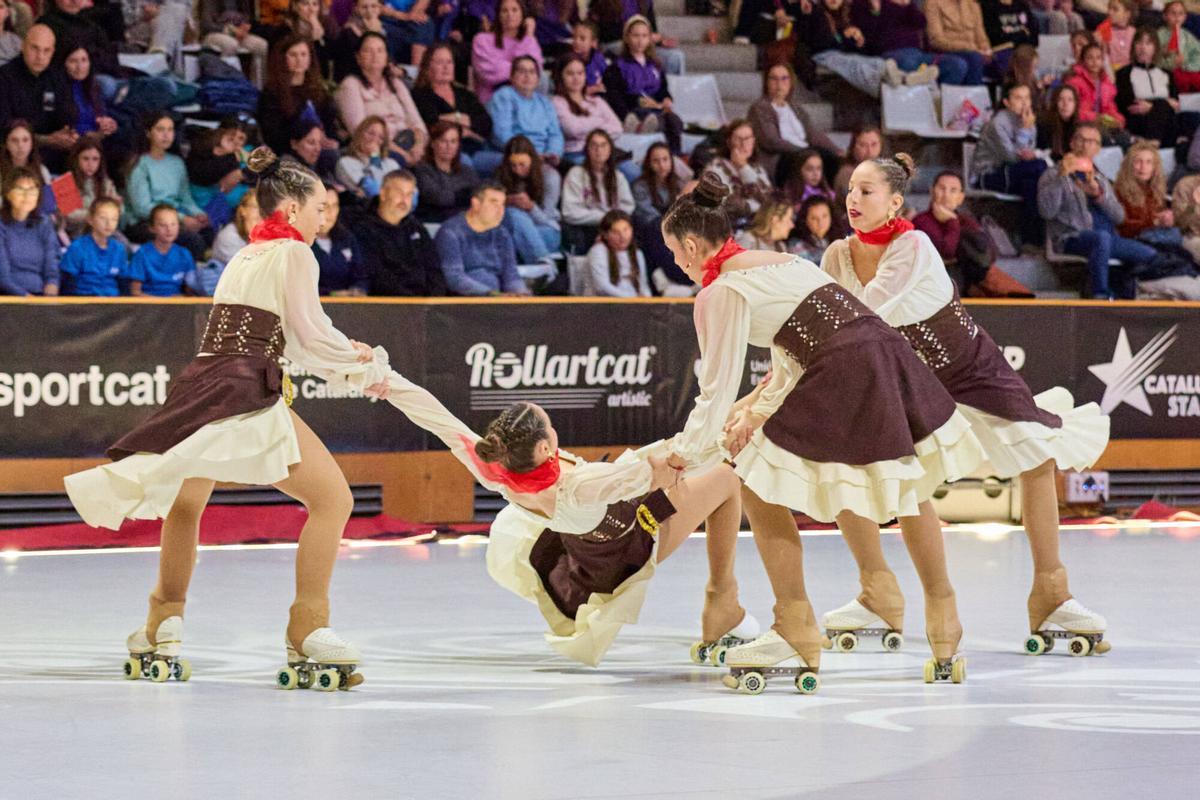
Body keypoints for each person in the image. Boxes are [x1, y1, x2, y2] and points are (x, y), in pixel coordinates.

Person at [64, 147, 391, 689]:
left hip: (202, 383)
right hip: (244, 388)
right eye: (319, 208)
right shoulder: (296, 254)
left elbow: (283, 335)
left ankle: (163, 622)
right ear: (291, 209)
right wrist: (362, 365)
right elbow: (310, 337)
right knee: (334, 500)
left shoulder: (244, 255)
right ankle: (308, 626)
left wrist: (347, 358)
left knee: (186, 504)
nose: (324, 218)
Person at [661, 174, 982, 691]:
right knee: (906, 481)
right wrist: (757, 411)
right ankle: (944, 620)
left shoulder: (719, 292)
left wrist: (682, 455)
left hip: (840, 365)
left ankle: (794, 626)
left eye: (675, 252)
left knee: (755, 476)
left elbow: (715, 393)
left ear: (692, 246)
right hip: (883, 351)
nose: (676, 262)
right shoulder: (778, 261)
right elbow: (794, 356)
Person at [819, 153, 1111, 661]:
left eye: (866, 191)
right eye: (850, 190)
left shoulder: (913, 246)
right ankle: (877, 592)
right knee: (865, 469)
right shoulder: (837, 256)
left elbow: (861, 317)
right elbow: (830, 321)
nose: (853, 200)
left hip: (968, 366)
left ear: (894, 202)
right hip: (907, 378)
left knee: (1035, 456)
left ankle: (1051, 593)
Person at [373, 389, 756, 667]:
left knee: (703, 452)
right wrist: (757, 411)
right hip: (627, 550)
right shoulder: (579, 486)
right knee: (726, 476)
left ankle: (722, 602)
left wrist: (383, 381)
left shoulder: (498, 472)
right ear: (543, 448)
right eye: (550, 427)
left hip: (588, 554)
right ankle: (721, 601)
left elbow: (435, 415)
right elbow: (672, 464)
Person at [1037, 122, 1155, 297]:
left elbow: (1119, 216)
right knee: (1101, 238)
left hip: (1107, 240)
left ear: (1098, 148)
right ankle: (1100, 295)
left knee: (1149, 254)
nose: (1086, 145)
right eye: (1081, 139)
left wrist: (1099, 196)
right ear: (1072, 143)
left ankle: (1122, 290)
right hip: (1071, 237)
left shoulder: (1100, 179)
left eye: (1092, 141)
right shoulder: (1052, 175)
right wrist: (1062, 177)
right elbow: (1047, 211)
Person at [1112, 142, 1200, 299]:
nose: (1143, 167)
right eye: (1138, 162)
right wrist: (1153, 222)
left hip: (1162, 244)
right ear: (1129, 165)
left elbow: (1174, 224)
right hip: (1136, 246)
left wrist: (1167, 220)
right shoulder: (1118, 192)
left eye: (1149, 162)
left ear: (1155, 167)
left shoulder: (1156, 191)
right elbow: (1121, 226)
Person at [126, 112, 210, 261]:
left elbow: (185, 198)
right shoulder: (139, 164)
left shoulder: (177, 162)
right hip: (146, 222)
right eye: (160, 129)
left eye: (170, 129)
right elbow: (142, 208)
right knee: (192, 240)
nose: (166, 135)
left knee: (208, 231)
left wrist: (198, 214)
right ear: (148, 133)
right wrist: (181, 219)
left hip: (173, 218)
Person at [335, 32, 429, 165]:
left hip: (409, 143)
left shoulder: (396, 83)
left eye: (380, 50)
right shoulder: (350, 85)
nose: (375, 55)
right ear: (358, 57)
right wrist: (403, 155)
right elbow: (360, 132)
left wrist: (418, 147)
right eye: (368, 51)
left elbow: (417, 123)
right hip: (378, 150)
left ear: (386, 57)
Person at [972, 82, 1048, 245]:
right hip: (988, 175)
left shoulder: (1028, 120)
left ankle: (1031, 240)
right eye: (1018, 98)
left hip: (1014, 172)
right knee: (1040, 167)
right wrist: (1025, 130)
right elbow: (1012, 157)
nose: (1024, 103)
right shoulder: (998, 123)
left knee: (1031, 184)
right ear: (1007, 102)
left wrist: (1027, 130)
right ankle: (1035, 238)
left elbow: (1028, 153)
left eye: (1027, 98)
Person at [747, 63, 843, 185]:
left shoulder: (796, 108)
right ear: (766, 82)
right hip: (781, 158)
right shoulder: (760, 108)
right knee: (816, 159)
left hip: (804, 152)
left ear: (791, 82)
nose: (779, 84)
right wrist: (805, 151)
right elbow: (771, 141)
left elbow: (813, 134)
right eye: (774, 79)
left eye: (784, 79)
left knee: (832, 158)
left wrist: (836, 150)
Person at [358, 168, 447, 295]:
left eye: (409, 194)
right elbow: (376, 276)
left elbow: (434, 270)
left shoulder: (417, 228)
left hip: (425, 302)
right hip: (388, 302)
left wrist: (434, 299)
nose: (405, 200)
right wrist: (411, 301)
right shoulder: (363, 228)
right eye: (399, 193)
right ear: (383, 194)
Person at [434, 182, 531, 295]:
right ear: (476, 204)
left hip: (498, 299)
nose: (500, 210)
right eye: (494, 203)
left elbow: (511, 276)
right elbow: (454, 278)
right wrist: (493, 295)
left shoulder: (502, 234)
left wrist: (521, 294)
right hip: (465, 301)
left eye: (502, 204)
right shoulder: (450, 232)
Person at [602, 15, 682, 152]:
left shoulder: (655, 65)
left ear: (649, 39)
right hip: (632, 110)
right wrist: (627, 114)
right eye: (636, 36)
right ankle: (641, 131)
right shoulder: (617, 67)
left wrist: (666, 99)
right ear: (627, 38)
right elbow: (615, 97)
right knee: (655, 120)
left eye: (644, 36)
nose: (640, 41)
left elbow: (663, 90)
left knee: (674, 121)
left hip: (655, 109)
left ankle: (674, 156)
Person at [796, 0, 902, 98]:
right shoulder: (816, 13)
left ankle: (901, 77)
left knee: (872, 61)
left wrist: (858, 40)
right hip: (822, 56)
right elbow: (819, 42)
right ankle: (883, 85)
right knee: (854, 64)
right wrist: (807, 14)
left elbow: (851, 49)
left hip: (840, 55)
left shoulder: (844, 16)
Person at [410, 42, 494, 165]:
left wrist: (454, 119)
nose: (446, 67)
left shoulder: (464, 94)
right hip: (445, 153)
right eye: (440, 62)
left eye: (449, 62)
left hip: (477, 149)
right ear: (428, 67)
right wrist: (463, 122)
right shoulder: (420, 94)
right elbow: (431, 121)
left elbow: (486, 124)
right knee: (466, 162)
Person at [0, 26, 75, 163]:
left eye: (46, 50)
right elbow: (4, 128)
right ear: (23, 46)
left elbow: (68, 113)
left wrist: (68, 132)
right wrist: (45, 140)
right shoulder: (4, 77)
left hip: (55, 152)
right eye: (35, 48)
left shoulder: (57, 76)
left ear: (53, 52)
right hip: (16, 154)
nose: (40, 56)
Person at [258, 35, 340, 157]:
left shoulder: (318, 89)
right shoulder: (272, 92)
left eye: (303, 54)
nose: (299, 60)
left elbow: (329, 122)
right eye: (293, 55)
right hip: (289, 151)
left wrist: (331, 140)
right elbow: (272, 134)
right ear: (283, 58)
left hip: (320, 147)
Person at [552, 55, 629, 177]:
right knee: (601, 175)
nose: (576, 78)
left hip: (604, 151)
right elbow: (572, 129)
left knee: (635, 172)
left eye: (580, 73)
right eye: (570, 74)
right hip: (576, 153)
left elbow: (617, 128)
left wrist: (586, 130)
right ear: (561, 76)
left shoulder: (597, 101)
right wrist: (599, 121)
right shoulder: (557, 102)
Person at [632, 141, 692, 296]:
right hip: (650, 232)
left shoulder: (677, 183)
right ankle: (679, 277)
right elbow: (647, 215)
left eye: (665, 160)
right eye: (656, 161)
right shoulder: (640, 186)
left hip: (674, 230)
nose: (661, 165)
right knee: (658, 227)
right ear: (649, 163)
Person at [561, 129, 636, 253]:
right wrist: (605, 217)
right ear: (587, 150)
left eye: (603, 145)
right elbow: (569, 212)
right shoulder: (575, 174)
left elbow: (628, 206)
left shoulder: (617, 176)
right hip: (586, 226)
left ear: (610, 149)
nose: (598, 150)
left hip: (613, 226)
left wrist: (614, 223)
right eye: (594, 145)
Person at [495, 135, 561, 262]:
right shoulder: (503, 173)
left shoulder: (550, 176)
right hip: (514, 231)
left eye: (522, 164)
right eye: (513, 165)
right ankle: (544, 264)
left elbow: (547, 219)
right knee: (510, 219)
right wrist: (507, 201)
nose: (517, 170)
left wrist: (531, 207)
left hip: (546, 230)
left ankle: (541, 263)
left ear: (532, 160)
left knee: (514, 217)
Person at [1116, 27, 1181, 146]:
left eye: (1148, 43)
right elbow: (1130, 105)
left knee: (1191, 117)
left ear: (1155, 47)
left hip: (1166, 121)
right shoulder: (1123, 73)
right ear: (1133, 46)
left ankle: (1155, 142)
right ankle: (1154, 142)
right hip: (1139, 121)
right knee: (1164, 106)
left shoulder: (1167, 74)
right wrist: (1163, 103)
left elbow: (1176, 105)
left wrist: (1152, 106)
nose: (1143, 47)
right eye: (1139, 42)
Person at [0, 168, 60, 296]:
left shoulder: (44, 223)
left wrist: (52, 284)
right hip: (7, 296)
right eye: (20, 189)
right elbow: (3, 277)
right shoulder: (2, 225)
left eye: (32, 190)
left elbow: (52, 262)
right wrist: (27, 298)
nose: (27, 195)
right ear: (7, 193)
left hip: (39, 295)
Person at [703, 120, 773, 229]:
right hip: (729, 227)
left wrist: (743, 167)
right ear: (729, 142)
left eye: (748, 138)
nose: (744, 144)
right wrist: (760, 207)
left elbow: (770, 199)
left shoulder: (757, 168)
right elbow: (729, 205)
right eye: (738, 139)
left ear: (754, 141)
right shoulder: (715, 168)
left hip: (757, 226)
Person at [472, 0, 543, 104]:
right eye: (504, 11)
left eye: (514, 10)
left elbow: (536, 71)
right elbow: (490, 73)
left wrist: (528, 36)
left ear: (523, 14)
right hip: (493, 100)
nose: (510, 14)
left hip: (526, 101)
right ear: (498, 15)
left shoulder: (529, 40)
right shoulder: (482, 40)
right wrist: (522, 70)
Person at [413, 121, 482, 223]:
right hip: (435, 222)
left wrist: (456, 195)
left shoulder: (466, 170)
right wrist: (465, 194)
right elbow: (440, 198)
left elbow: (479, 195)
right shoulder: (422, 169)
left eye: (453, 141)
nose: (449, 146)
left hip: (466, 220)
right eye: (443, 141)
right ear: (432, 143)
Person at [59, 196, 127, 296]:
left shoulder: (119, 249)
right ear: (90, 219)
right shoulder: (78, 247)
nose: (109, 223)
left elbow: (123, 282)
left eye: (114, 219)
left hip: (112, 301)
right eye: (103, 218)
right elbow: (67, 282)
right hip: (84, 300)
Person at [313, 184, 369, 295]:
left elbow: (361, 275)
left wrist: (358, 289)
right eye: (325, 206)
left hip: (348, 305)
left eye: (335, 205)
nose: (331, 212)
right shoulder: (299, 242)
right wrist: (331, 294)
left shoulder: (347, 239)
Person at [127, 205, 194, 297]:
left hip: (177, 303)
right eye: (162, 225)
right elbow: (135, 292)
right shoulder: (142, 254)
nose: (169, 229)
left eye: (173, 224)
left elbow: (190, 291)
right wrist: (163, 302)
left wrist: (181, 299)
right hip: (148, 303)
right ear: (152, 228)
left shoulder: (184, 254)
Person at [63, 135, 119, 240]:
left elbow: (118, 208)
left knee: (122, 243)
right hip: (76, 234)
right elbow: (69, 215)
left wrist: (117, 206)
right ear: (76, 159)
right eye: (85, 159)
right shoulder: (65, 182)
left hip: (104, 230)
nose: (90, 164)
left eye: (95, 159)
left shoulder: (105, 182)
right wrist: (96, 214)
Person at [924, 0, 991, 85]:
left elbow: (980, 34)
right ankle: (973, 92)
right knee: (974, 58)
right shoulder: (932, 3)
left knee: (1001, 57)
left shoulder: (972, 3)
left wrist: (986, 48)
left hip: (975, 51)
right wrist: (971, 48)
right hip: (947, 52)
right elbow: (936, 40)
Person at [585, 209, 650, 297]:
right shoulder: (598, 252)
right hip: (605, 303)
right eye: (615, 232)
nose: (622, 236)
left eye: (625, 230)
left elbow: (643, 286)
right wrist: (631, 299)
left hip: (634, 302)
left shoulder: (638, 253)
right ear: (605, 235)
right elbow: (602, 287)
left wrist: (647, 299)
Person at [334, 0, 402, 80]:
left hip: (383, 74)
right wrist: (372, 33)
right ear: (356, 9)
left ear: (380, 8)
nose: (369, 11)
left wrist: (397, 69)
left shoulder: (384, 28)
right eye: (364, 7)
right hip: (356, 78)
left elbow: (389, 57)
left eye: (373, 6)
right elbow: (363, 62)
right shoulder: (349, 31)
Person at [336, 116, 401, 198]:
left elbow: (410, 193)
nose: (374, 140)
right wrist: (375, 158)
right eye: (371, 133)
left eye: (381, 137)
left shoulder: (391, 164)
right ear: (360, 134)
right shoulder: (346, 163)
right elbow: (374, 192)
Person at [60, 46, 117, 141]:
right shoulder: (60, 89)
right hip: (78, 141)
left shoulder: (93, 86)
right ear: (64, 64)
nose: (80, 67)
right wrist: (96, 134)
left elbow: (101, 116)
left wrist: (108, 124)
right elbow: (69, 128)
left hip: (98, 137)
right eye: (73, 61)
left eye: (84, 60)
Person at [1066, 42, 1126, 129]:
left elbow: (1110, 108)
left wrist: (1118, 120)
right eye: (1090, 58)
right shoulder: (1074, 82)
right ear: (1083, 61)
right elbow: (1072, 111)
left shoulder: (1107, 83)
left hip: (1102, 124)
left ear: (1102, 61)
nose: (1095, 62)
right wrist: (1096, 117)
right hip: (1081, 125)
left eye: (1098, 58)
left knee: (1124, 134)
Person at [980, 0, 1038, 77]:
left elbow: (1034, 37)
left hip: (1022, 50)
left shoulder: (1022, 6)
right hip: (999, 52)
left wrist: (1014, 38)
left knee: (1027, 55)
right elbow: (994, 37)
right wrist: (1020, 36)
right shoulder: (987, 6)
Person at [833, 125, 885, 200]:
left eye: (874, 144)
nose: (869, 151)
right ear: (853, 147)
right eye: (863, 145)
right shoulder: (847, 173)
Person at [1158, 1, 1200, 93]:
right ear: (1165, 16)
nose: (1177, 17)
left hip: (1188, 71)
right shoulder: (1159, 35)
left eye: (1180, 13)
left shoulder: (1187, 36)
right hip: (1167, 72)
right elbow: (1154, 58)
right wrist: (1167, 57)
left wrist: (1186, 64)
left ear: (1185, 17)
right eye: (1173, 13)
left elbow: (1198, 54)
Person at [212, 191, 261, 266]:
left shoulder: (264, 233)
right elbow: (246, 269)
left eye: (266, 208)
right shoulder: (230, 236)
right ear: (243, 210)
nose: (262, 212)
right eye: (256, 207)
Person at [783, 149, 836, 213]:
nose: (815, 173)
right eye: (810, 169)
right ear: (799, 171)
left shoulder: (828, 194)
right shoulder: (792, 195)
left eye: (819, 168)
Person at [1038, 84, 1080, 160]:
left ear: (1075, 104)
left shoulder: (1080, 127)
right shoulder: (1044, 126)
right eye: (1061, 99)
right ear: (1055, 103)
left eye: (1070, 100)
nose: (1065, 104)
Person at [793, 194, 839, 264]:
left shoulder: (836, 239)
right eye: (814, 218)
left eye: (825, 216)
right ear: (805, 220)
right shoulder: (798, 246)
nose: (820, 222)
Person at [1096, 0, 1136, 70]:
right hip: (1110, 70)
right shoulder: (1103, 30)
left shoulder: (1134, 32)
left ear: (1127, 14)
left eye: (1115, 9)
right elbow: (1102, 57)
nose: (1109, 12)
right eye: (1109, 8)